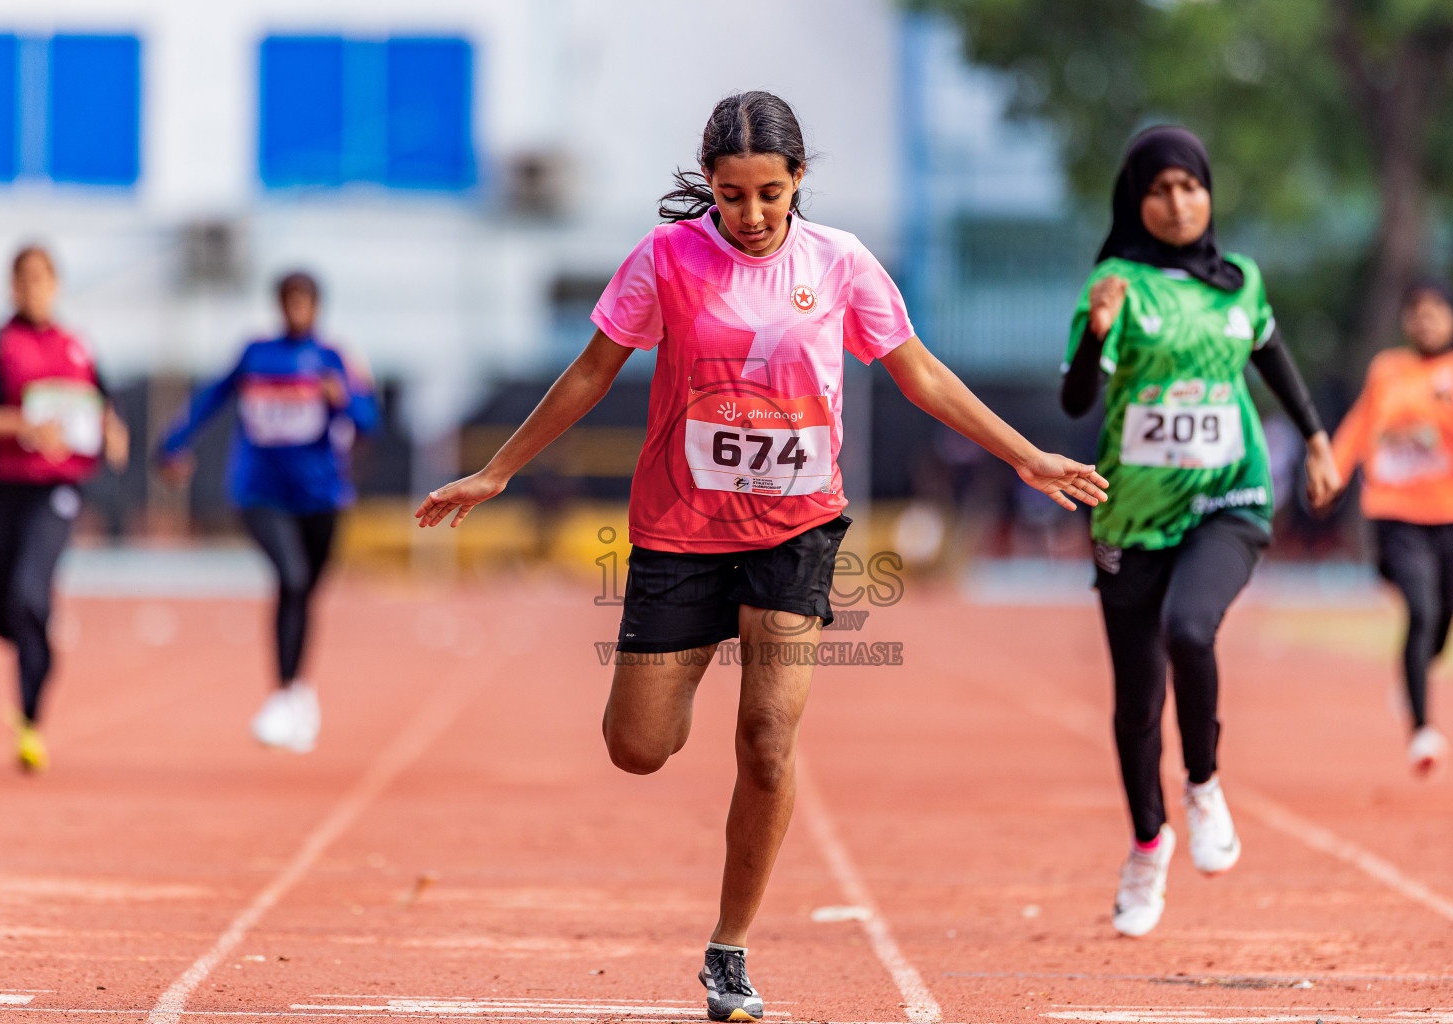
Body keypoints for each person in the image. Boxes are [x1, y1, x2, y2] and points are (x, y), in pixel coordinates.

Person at [416, 91, 1106, 1022]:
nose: (751, 215)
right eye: (733, 195)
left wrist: (1023, 454)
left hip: (797, 528)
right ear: (709, 184)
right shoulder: (664, 260)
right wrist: (497, 471)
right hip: (679, 531)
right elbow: (590, 371)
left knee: (769, 740)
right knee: (639, 748)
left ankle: (730, 948)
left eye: (770, 195)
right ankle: (688, 657)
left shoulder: (842, 263)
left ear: (798, 183)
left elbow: (920, 371)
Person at [1060, 126, 1340, 938]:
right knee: (1138, 703)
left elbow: (1273, 356)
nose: (1178, 203)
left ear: (1208, 193)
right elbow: (1078, 401)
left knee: (1192, 627)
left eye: (1191, 186)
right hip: (1132, 515)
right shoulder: (1115, 284)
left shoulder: (1240, 281)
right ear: (1135, 202)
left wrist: (1318, 440)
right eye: (1160, 189)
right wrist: (1102, 334)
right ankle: (1149, 845)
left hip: (1231, 496)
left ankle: (1205, 783)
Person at [158, 271, 377, 754]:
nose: (297, 309)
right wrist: (172, 444)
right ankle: (282, 695)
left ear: (318, 307)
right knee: (291, 579)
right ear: (279, 305)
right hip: (260, 491)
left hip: (322, 496)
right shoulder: (256, 354)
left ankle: (299, 693)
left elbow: (368, 420)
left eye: (305, 301)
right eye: (289, 301)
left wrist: (343, 401)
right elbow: (211, 397)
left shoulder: (333, 358)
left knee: (304, 592)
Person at [1331, 279, 1453, 774]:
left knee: (1442, 621)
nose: (1424, 320)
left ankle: (1413, 673)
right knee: (1420, 606)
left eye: (1435, 310)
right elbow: (1358, 426)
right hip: (1396, 511)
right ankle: (1422, 730)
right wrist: (1332, 468)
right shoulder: (1388, 369)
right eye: (1415, 311)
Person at [0, 246, 130, 771]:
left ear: (56, 285)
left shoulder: (77, 346)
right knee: (7, 617)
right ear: (12, 286)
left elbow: (103, 404)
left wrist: (113, 433)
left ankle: (30, 719)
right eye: (24, 280)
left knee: (30, 594)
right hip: (0, 488)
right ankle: (27, 633)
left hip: (57, 490)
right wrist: (21, 426)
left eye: (42, 279)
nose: (34, 289)